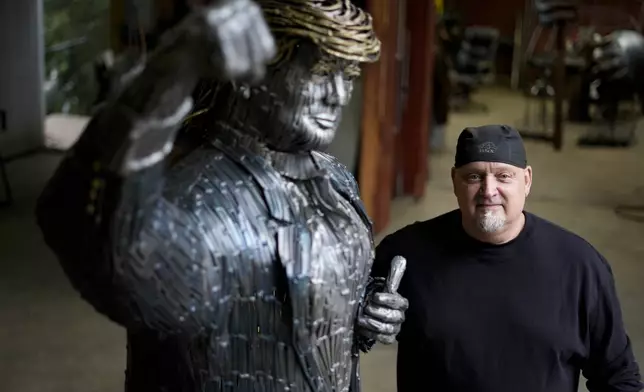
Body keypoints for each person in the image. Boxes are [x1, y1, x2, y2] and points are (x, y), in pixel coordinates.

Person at [36, 1, 405, 391]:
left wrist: (360, 313)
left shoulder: (336, 180)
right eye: (319, 72)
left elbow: (315, 327)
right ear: (249, 76)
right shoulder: (201, 202)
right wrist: (171, 73)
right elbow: (96, 237)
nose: (339, 95)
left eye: (347, 75)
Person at [369, 125, 643, 391]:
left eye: (503, 176)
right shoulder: (406, 255)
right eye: (474, 177)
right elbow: (341, 332)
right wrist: (365, 317)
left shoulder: (580, 267)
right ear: (454, 180)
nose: (489, 191)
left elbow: (619, 378)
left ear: (526, 180)